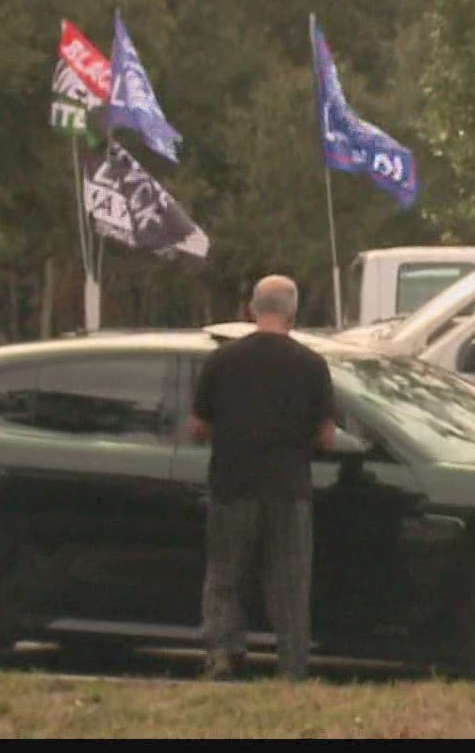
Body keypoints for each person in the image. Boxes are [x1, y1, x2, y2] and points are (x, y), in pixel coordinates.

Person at [191, 274, 335, 681]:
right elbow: (326, 435)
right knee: (290, 583)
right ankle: (291, 669)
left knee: (224, 577)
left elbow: (197, 428)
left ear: (251, 309)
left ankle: (223, 657)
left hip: (231, 485)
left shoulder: (221, 360)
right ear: (293, 313)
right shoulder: (311, 364)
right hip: (288, 489)